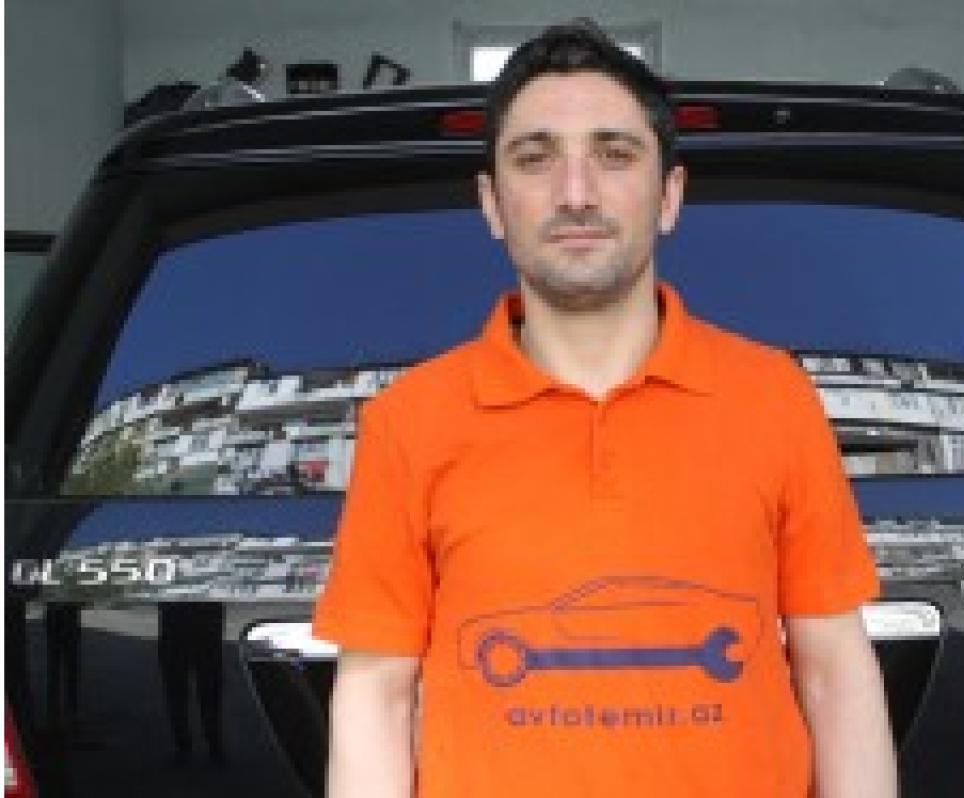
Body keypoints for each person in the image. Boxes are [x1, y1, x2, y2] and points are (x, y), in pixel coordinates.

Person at [312, 19, 897, 798]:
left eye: (614, 154)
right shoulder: (408, 422)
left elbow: (834, 673)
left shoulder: (774, 397)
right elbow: (375, 699)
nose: (576, 193)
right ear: (492, 204)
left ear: (670, 196)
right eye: (535, 158)